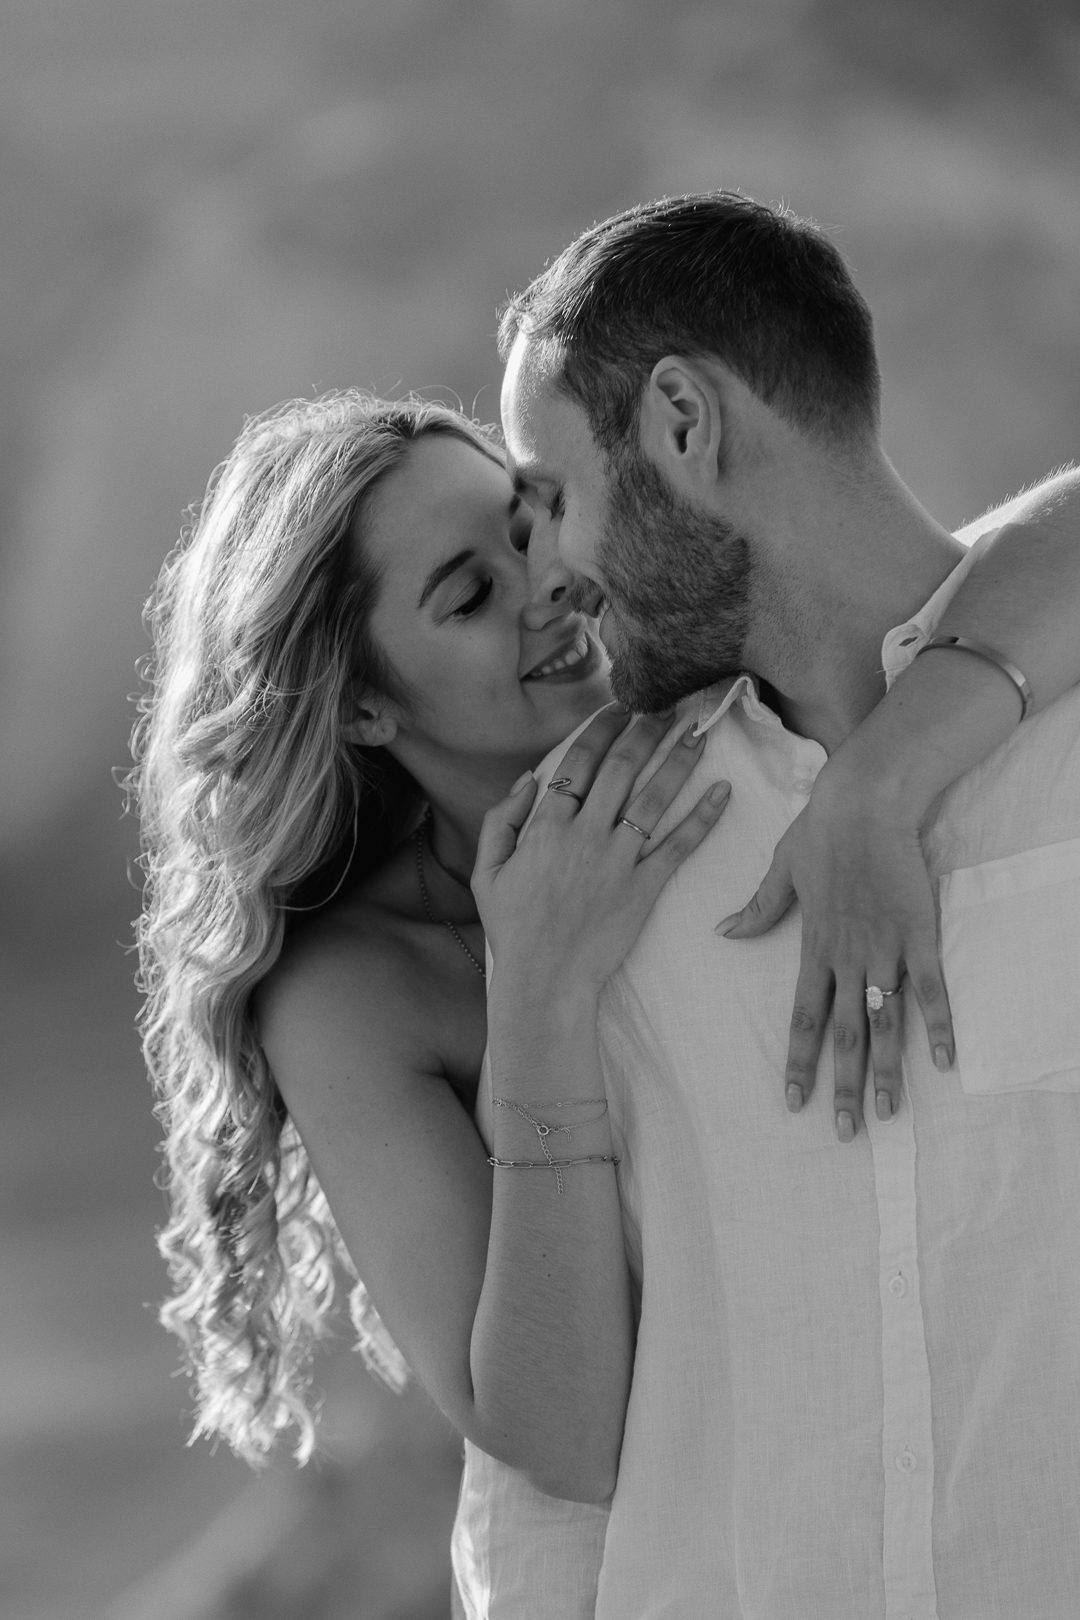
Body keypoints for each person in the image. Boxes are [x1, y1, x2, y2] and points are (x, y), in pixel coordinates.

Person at [128, 389, 1080, 1607]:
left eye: (530, 528)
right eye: (468, 596)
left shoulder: (719, 709)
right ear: (366, 704)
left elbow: (1024, 548)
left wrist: (883, 783)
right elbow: (557, 1432)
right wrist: (538, 990)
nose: (545, 588)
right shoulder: (360, 990)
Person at [491, 190, 1080, 1618]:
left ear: (684, 424)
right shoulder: (589, 855)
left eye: (554, 495)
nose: (550, 578)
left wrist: (879, 787)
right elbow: (551, 1473)